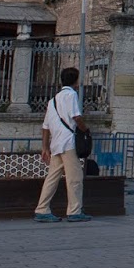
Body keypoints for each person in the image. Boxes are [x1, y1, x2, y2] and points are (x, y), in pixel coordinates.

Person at [35, 67, 90, 223]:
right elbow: (76, 117)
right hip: (68, 143)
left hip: (56, 144)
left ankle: (42, 209)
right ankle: (74, 211)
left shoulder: (53, 100)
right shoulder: (71, 95)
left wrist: (45, 147)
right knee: (75, 177)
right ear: (75, 80)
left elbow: (45, 127)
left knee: (52, 177)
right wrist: (85, 130)